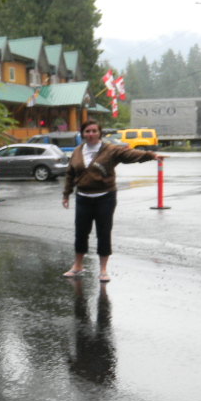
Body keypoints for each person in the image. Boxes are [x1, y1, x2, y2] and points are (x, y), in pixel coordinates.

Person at [61, 119, 159, 281]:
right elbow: (70, 174)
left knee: (104, 232)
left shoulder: (110, 150)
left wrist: (151, 155)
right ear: (83, 134)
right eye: (87, 131)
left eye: (94, 131)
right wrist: (66, 194)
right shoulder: (78, 151)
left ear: (100, 133)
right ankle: (77, 266)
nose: (91, 134)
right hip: (83, 198)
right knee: (81, 233)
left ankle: (103, 270)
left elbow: (129, 154)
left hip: (105, 197)